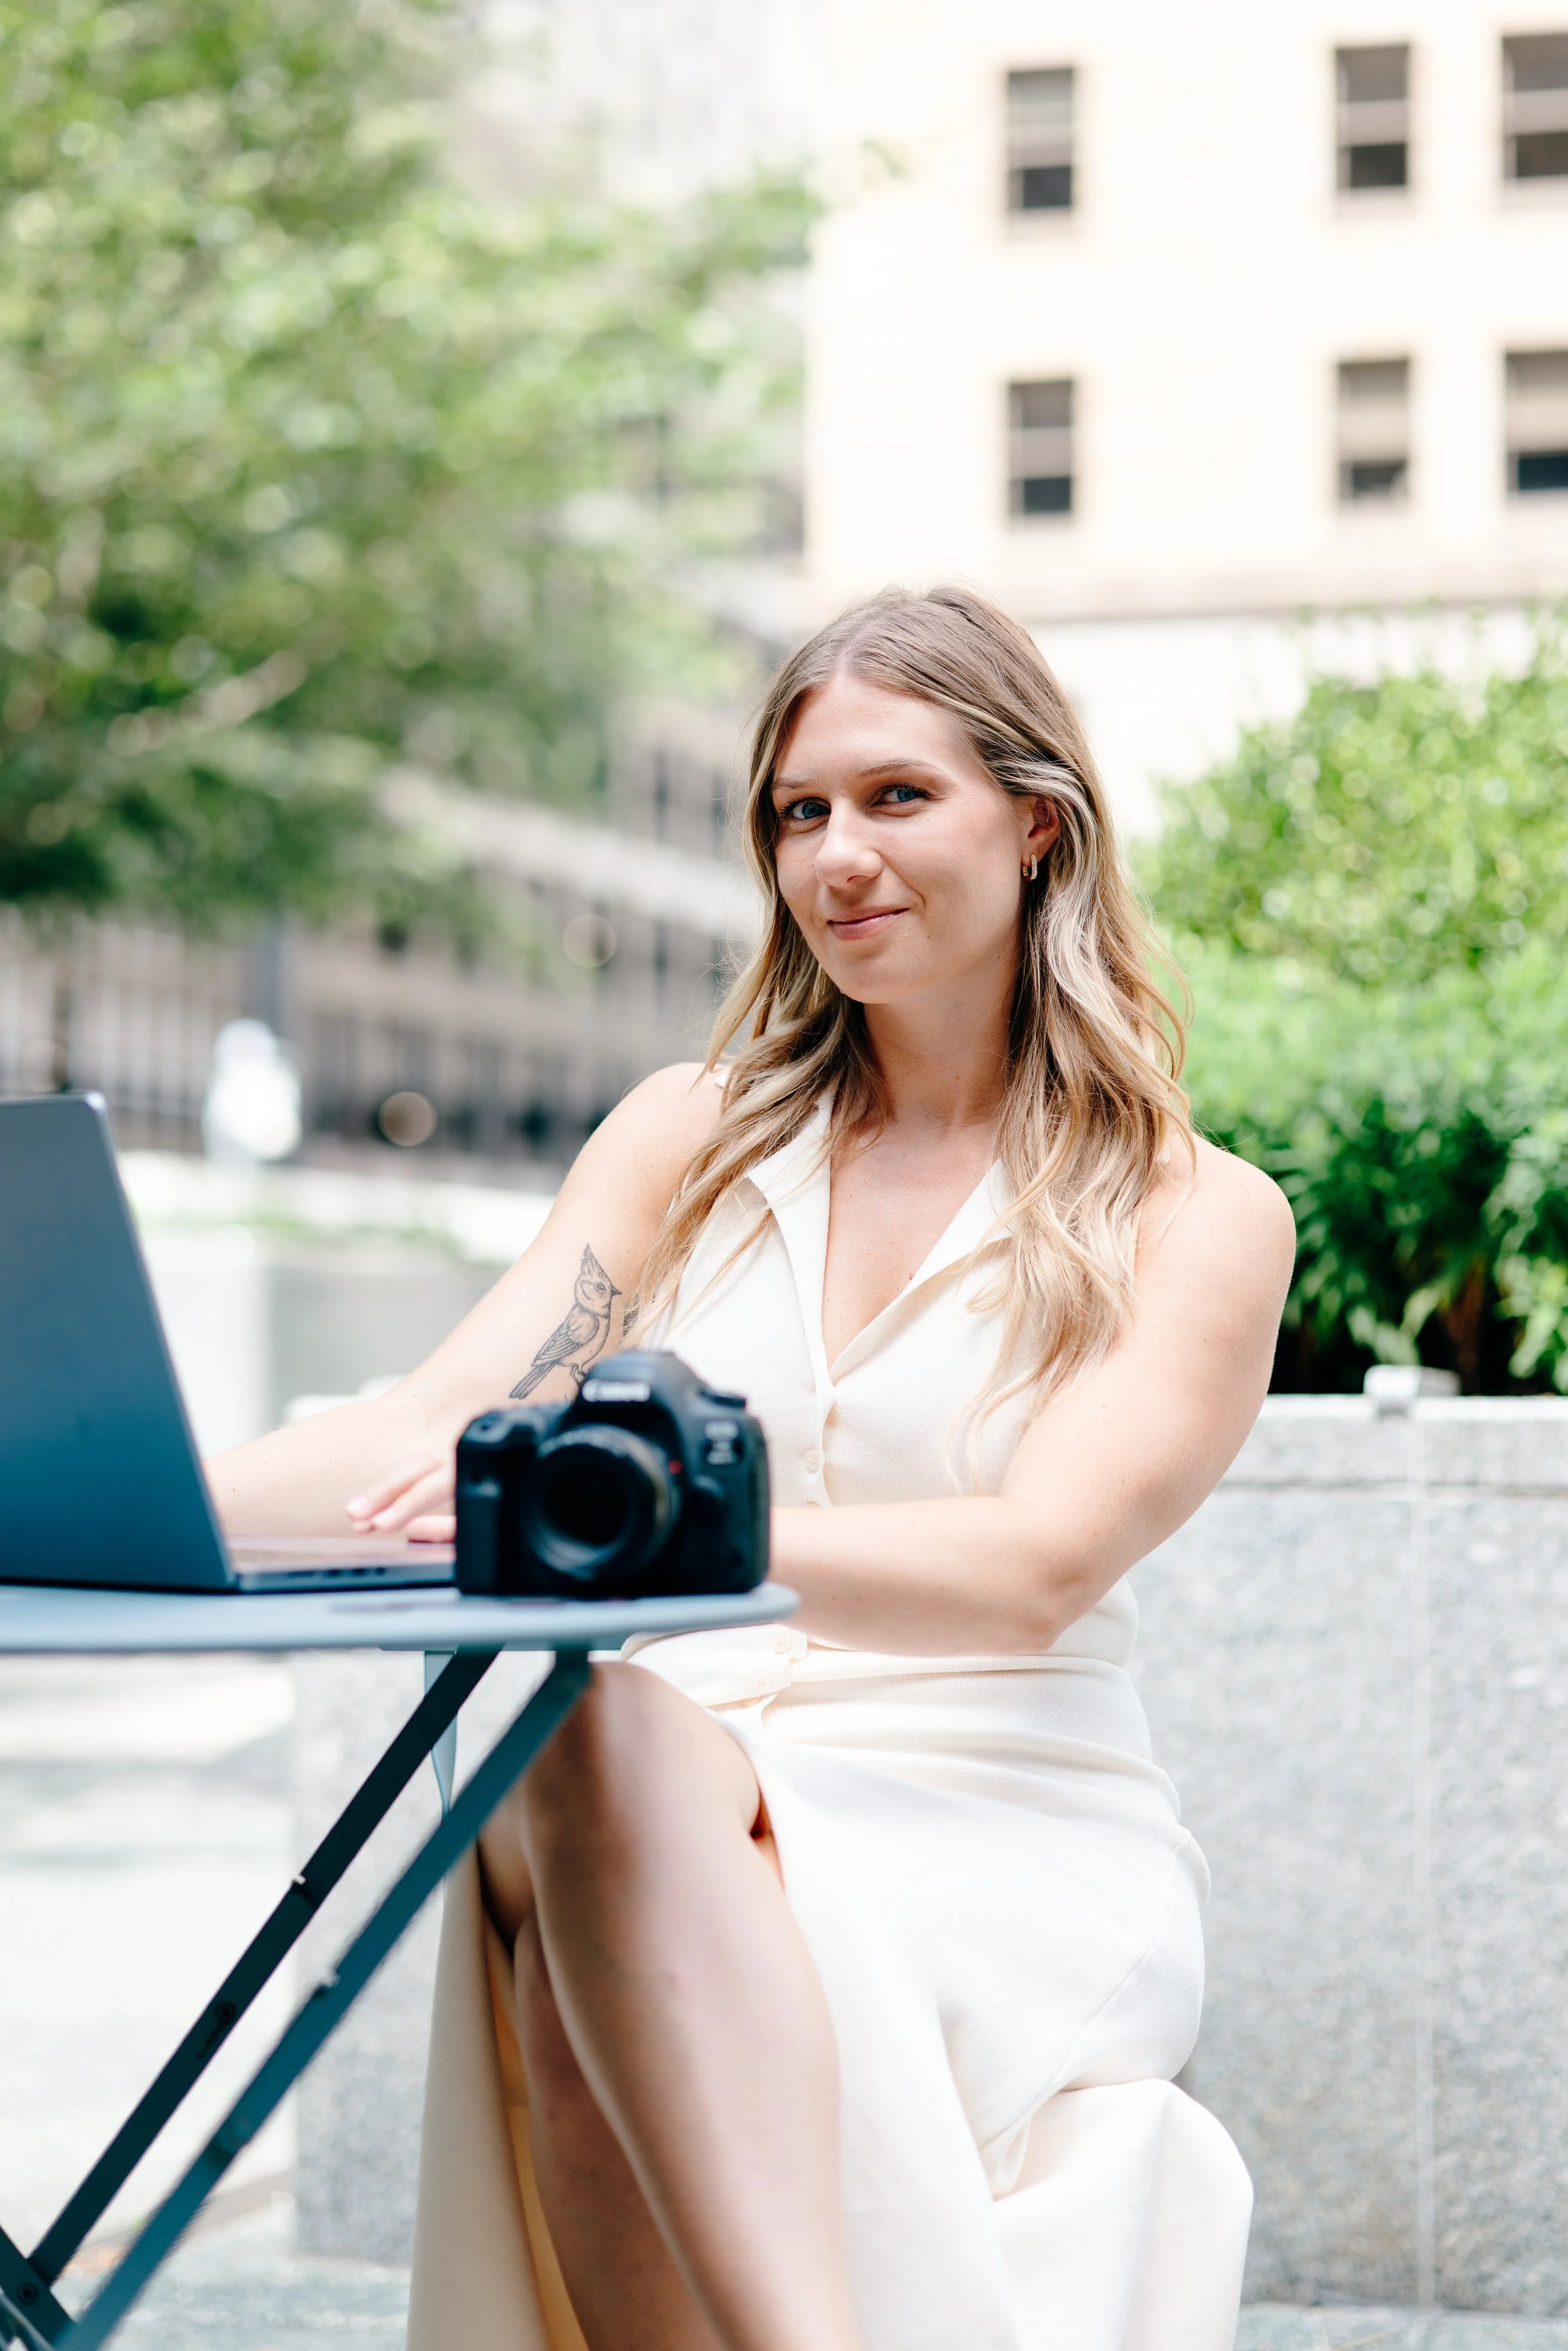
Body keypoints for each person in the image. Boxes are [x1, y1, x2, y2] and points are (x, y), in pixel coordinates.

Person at [211, 584, 1294, 2351]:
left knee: (590, 1825)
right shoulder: (690, 1135)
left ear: (1035, 820)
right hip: (658, 1764)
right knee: (600, 1732)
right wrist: (128, 1494)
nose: (836, 855)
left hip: (994, 1797)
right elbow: (430, 1430)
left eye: (894, 797)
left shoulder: (1192, 1212)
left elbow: (1034, 1563)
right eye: (798, 813)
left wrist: (680, 1540)